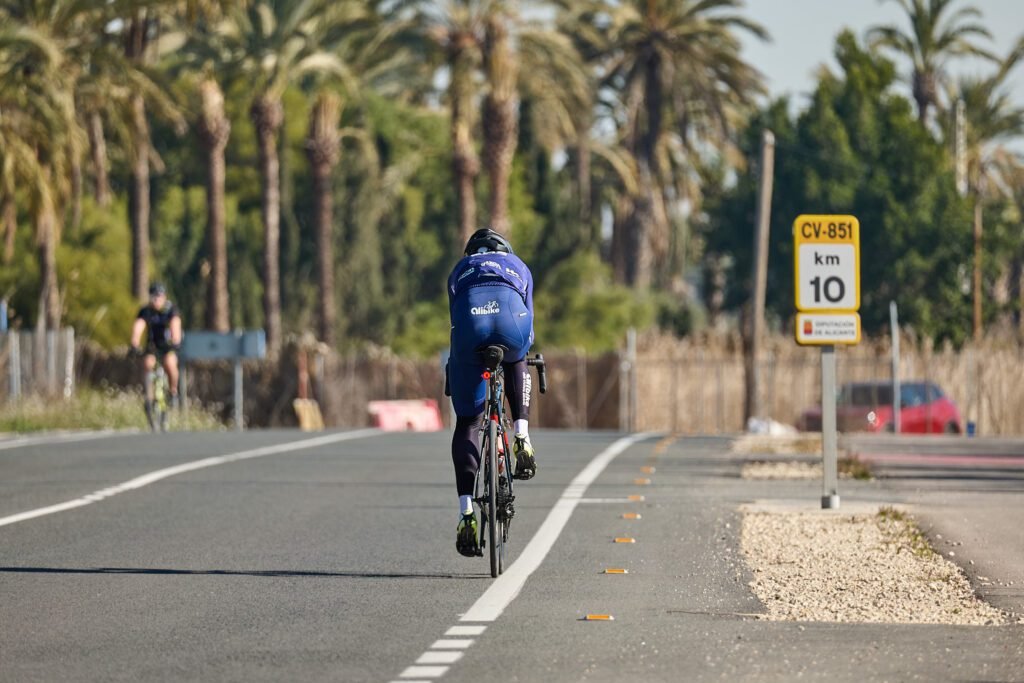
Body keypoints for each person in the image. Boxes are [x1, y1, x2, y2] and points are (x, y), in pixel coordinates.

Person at [447, 227, 537, 557]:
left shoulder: (460, 269)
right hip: (512, 321)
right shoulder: (518, 266)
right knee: (518, 355)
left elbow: (454, 326)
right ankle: (522, 436)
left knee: (468, 422)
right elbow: (530, 326)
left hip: (471, 325)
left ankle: (466, 513)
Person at [129, 283, 183, 426]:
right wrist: (134, 343)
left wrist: (176, 341)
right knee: (148, 364)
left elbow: (175, 325)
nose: (156, 301)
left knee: (170, 363)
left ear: (164, 297)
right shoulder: (146, 311)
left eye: (158, 297)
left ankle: (173, 392)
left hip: (167, 345)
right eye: (153, 297)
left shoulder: (170, 310)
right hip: (152, 346)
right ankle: (149, 397)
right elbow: (139, 326)